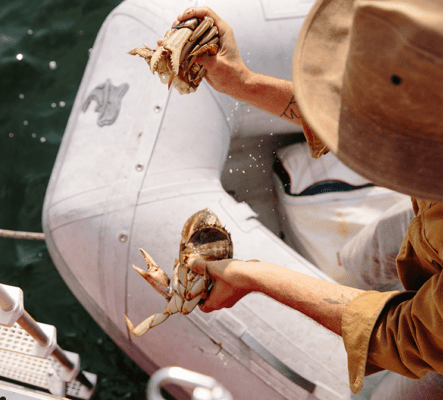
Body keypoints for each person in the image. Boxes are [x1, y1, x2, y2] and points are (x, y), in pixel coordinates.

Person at [173, 1, 443, 397]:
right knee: (358, 258)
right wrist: (241, 81)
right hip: (427, 218)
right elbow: (363, 117)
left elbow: (405, 336)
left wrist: (254, 276)